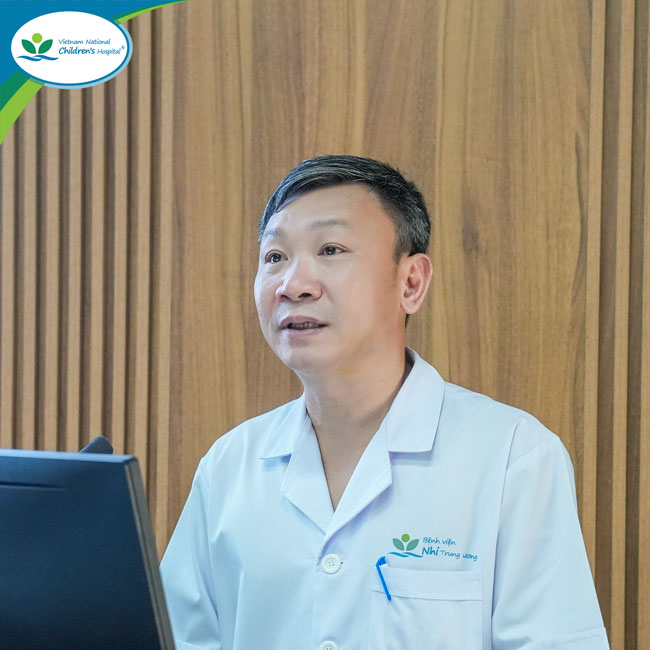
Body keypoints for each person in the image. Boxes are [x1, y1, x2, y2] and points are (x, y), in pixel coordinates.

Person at [160, 155, 609, 650]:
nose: (292, 285)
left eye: (330, 249)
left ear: (410, 283)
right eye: (275, 257)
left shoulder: (512, 457)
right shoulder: (229, 465)